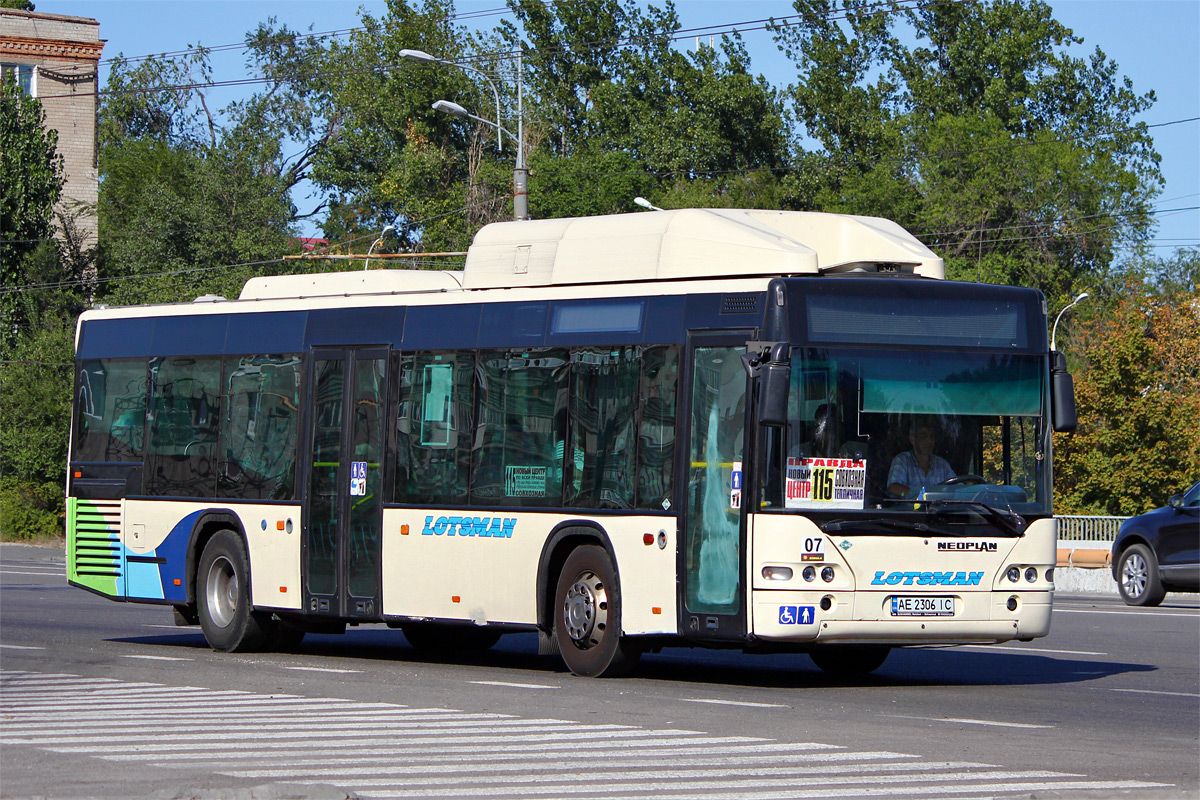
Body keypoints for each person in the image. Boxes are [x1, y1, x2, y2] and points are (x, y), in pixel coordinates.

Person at [887, 417, 955, 497]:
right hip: (907, 509)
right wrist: (918, 497)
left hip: (938, 509)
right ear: (912, 439)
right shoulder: (902, 461)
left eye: (931, 436)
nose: (929, 441)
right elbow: (893, 488)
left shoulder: (942, 465)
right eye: (923, 436)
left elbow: (957, 489)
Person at [795, 403, 866, 460]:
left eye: (836, 429)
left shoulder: (852, 452)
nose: (832, 435)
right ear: (817, 430)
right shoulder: (799, 452)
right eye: (827, 429)